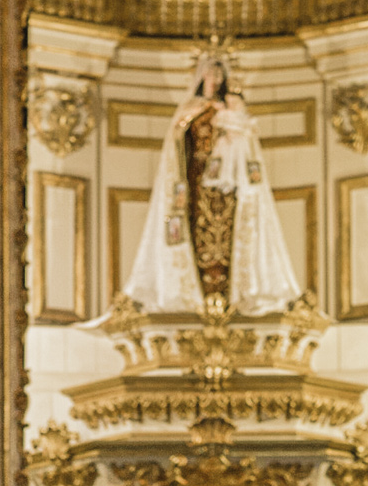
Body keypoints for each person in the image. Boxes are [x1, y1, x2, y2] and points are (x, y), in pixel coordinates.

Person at [122, 47, 302, 317]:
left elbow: (248, 147)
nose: (215, 77)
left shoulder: (232, 107)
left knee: (228, 231)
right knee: (196, 227)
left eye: (220, 72)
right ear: (201, 74)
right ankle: (197, 283)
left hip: (226, 185)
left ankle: (230, 285)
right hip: (195, 180)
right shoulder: (188, 110)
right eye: (211, 71)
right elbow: (176, 146)